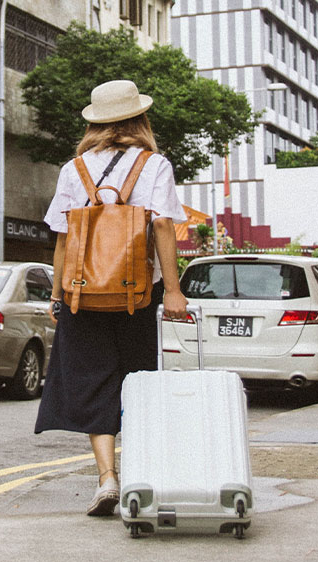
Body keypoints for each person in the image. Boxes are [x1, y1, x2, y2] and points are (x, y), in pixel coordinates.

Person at [34, 80, 188, 516]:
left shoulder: (74, 168)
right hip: (135, 294)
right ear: (140, 119)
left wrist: (58, 295)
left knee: (90, 379)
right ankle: (138, 472)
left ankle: (106, 478)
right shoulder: (155, 164)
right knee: (135, 380)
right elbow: (161, 227)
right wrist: (173, 291)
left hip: (83, 293)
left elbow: (63, 237)